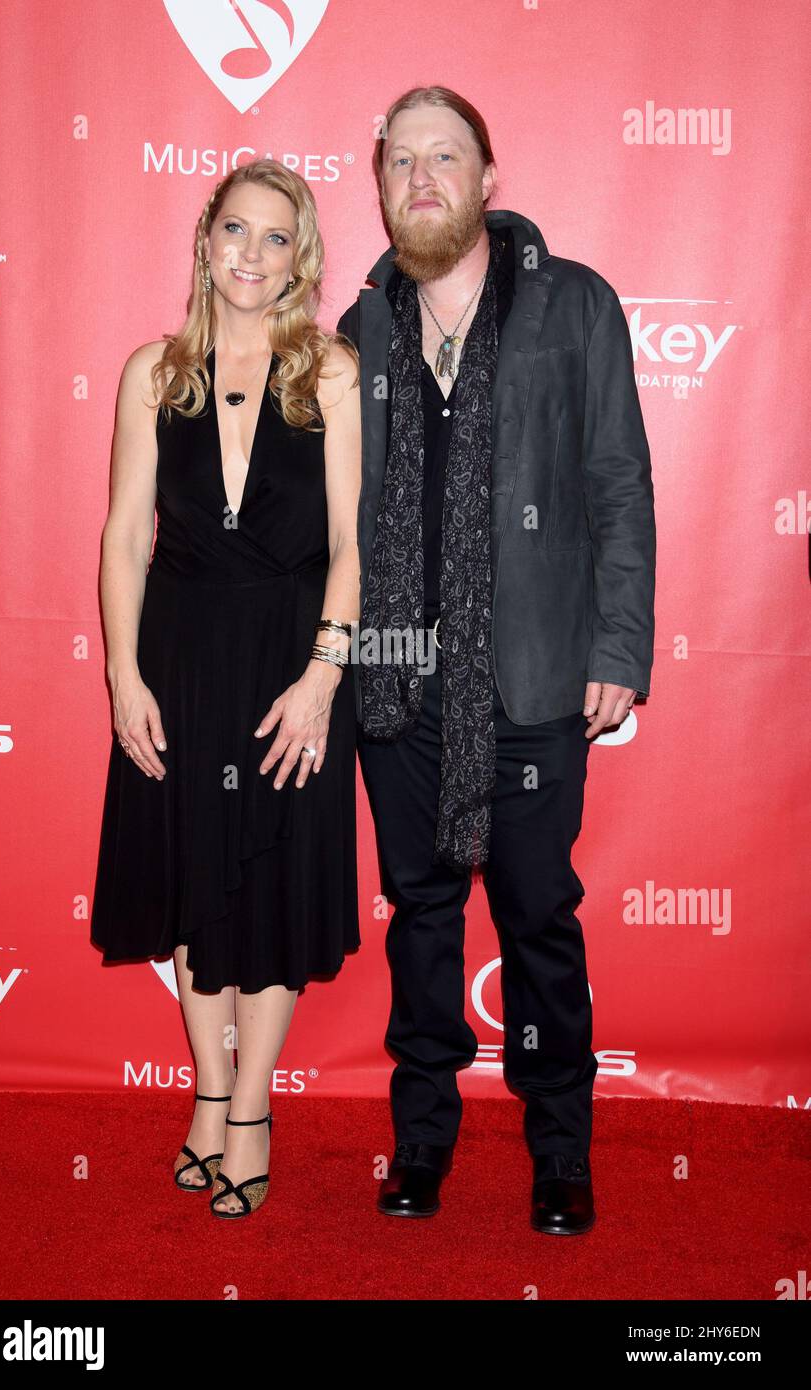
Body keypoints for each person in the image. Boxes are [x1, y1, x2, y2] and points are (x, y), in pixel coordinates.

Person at [337, 87, 656, 1234]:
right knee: (420, 913)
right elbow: (343, 521)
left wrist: (619, 643)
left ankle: (559, 1147)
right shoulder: (361, 328)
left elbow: (618, 480)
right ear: (379, 185)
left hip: (534, 675)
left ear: (488, 176)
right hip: (398, 679)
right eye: (401, 161)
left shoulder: (576, 305)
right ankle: (421, 1138)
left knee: (536, 917)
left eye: (446, 157)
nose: (422, 179)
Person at [91, 159, 361, 1220]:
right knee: (199, 874)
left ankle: (251, 1108)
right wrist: (122, 673)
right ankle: (209, 1092)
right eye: (235, 232)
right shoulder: (152, 372)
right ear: (205, 241)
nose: (251, 254)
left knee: (280, 883)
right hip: (183, 654)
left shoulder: (330, 371)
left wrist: (323, 679)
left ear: (301, 259)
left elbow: (350, 546)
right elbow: (121, 540)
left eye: (276, 237)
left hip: (293, 657)